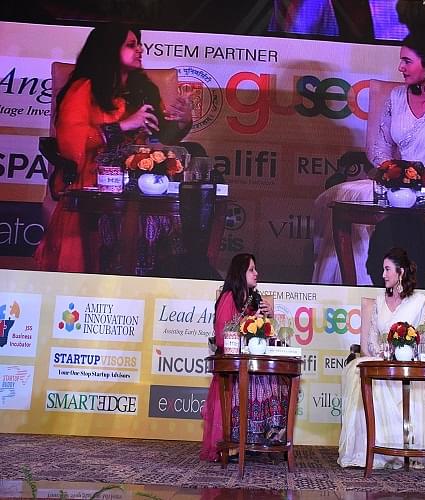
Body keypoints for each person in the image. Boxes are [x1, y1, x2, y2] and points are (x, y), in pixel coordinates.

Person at [312, 31, 425, 290]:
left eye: (407, 61)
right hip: (397, 185)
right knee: (350, 196)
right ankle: (360, 291)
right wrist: (392, 170)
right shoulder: (397, 97)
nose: (400, 67)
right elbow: (380, 148)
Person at [35, 25, 192, 274]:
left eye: (139, 43)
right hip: (92, 177)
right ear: (109, 50)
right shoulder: (84, 88)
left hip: (137, 181)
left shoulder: (145, 89)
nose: (140, 49)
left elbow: (163, 137)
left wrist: (184, 121)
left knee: (161, 205)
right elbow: (70, 144)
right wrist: (122, 126)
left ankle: (146, 281)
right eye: (131, 45)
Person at [338, 247, 425, 469]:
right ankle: (371, 449)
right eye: (383, 269)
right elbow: (371, 340)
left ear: (401, 272)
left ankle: (399, 447)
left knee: (394, 375)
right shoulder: (378, 302)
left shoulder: (420, 302)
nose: (383, 274)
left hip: (407, 365)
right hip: (382, 360)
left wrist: (404, 351)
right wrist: (382, 352)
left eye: (387, 269)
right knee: (359, 371)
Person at [200, 253, 289, 462]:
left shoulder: (254, 299)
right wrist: (249, 322)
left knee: (278, 380)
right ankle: (236, 444)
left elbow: (268, 337)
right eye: (251, 269)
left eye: (255, 269)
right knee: (258, 381)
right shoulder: (228, 297)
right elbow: (222, 337)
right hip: (234, 366)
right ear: (241, 273)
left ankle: (261, 438)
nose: (256, 273)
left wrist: (268, 317)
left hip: (254, 364)